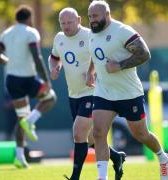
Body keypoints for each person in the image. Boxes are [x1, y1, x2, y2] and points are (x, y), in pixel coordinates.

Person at [86, 1, 168, 180]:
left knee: (141, 134)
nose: (92, 20)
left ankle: (163, 158)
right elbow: (96, 54)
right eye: (89, 16)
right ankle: (102, 177)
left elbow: (144, 53)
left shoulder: (122, 31)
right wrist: (90, 72)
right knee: (98, 132)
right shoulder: (92, 34)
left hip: (128, 93)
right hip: (104, 92)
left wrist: (120, 65)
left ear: (107, 15)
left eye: (95, 16)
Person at [48, 7, 126, 180]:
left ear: (79, 20)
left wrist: (94, 71)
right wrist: (54, 68)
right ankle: (116, 157)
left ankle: (75, 176)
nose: (66, 26)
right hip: (73, 94)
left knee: (77, 133)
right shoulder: (59, 38)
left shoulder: (90, 35)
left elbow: (103, 57)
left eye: (69, 22)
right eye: (63, 23)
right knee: (90, 139)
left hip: (93, 92)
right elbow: (54, 57)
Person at [0, 5, 56, 168]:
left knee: (21, 117)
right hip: (28, 79)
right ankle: (31, 120)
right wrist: (46, 79)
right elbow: (37, 57)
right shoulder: (31, 32)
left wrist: (9, 62)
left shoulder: (6, 33)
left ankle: (19, 157)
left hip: (12, 81)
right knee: (51, 97)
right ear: (29, 18)